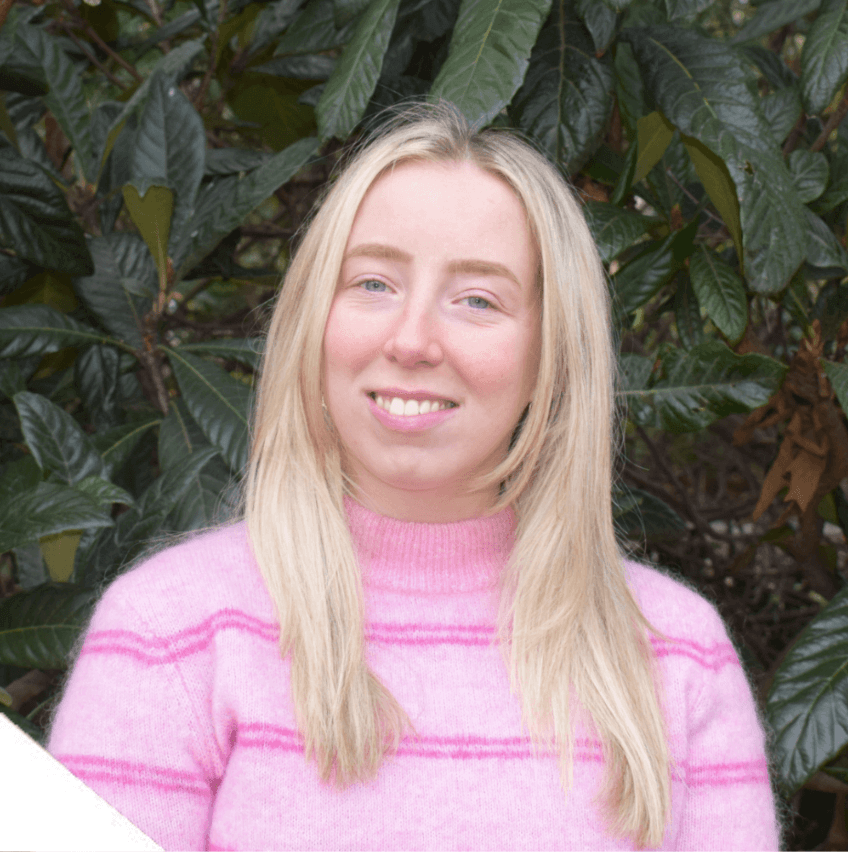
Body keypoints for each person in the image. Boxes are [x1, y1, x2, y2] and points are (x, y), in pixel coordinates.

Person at [47, 104, 780, 850]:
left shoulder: (677, 655)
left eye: (478, 300)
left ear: (550, 357)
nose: (413, 339)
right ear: (313, 318)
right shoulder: (169, 634)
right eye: (373, 283)